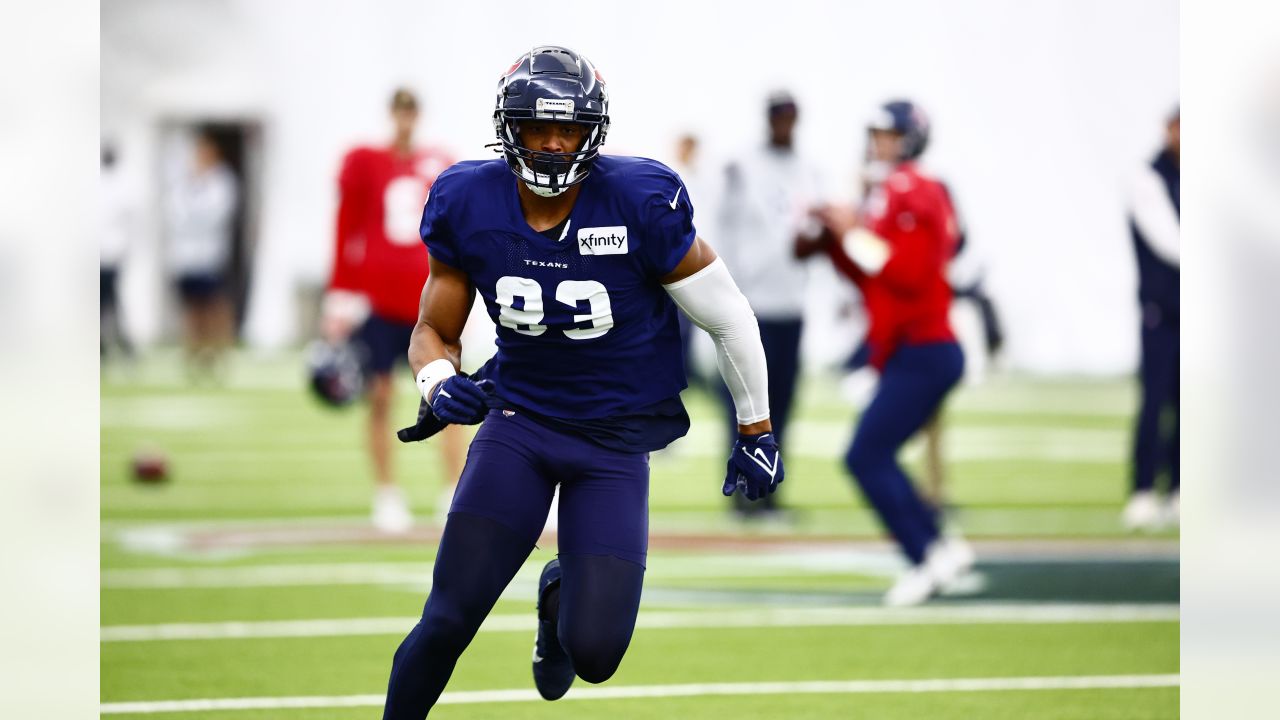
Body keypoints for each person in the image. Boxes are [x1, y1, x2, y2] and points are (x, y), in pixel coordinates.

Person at [381, 46, 782, 718]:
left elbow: (729, 315)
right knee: (447, 619)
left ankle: (556, 603)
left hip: (613, 441)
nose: (552, 145)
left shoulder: (638, 201)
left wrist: (757, 428)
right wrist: (436, 379)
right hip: (520, 424)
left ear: (592, 132)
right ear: (508, 128)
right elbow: (433, 327)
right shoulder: (467, 199)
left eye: (566, 129)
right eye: (537, 129)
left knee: (594, 653)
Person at [816, 100, 973, 606]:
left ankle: (924, 553)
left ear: (909, 137)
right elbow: (870, 276)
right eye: (876, 134)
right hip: (909, 348)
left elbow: (905, 271)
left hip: (925, 347)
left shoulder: (914, 188)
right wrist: (833, 238)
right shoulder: (893, 192)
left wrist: (850, 230)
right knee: (875, 454)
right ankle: (939, 545)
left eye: (888, 134)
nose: (878, 143)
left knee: (866, 455)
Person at [324, 88, 461, 533]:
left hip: (430, 295)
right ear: (392, 114)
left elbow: (457, 229)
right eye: (399, 111)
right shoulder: (366, 161)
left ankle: (453, 491)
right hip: (381, 296)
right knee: (380, 397)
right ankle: (386, 493)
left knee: (450, 397)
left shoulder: (438, 161)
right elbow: (348, 224)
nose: (405, 119)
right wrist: (341, 291)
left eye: (411, 111)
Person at [713, 91, 826, 519]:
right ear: (768, 120)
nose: (784, 126)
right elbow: (717, 226)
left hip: (791, 301)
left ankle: (770, 491)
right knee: (746, 402)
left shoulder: (808, 168)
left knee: (781, 403)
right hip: (750, 303)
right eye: (778, 118)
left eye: (790, 118)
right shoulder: (740, 166)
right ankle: (743, 492)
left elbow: (812, 226)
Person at [1122, 107, 1179, 531]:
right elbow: (1171, 243)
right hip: (1161, 309)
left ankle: (1178, 486)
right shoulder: (1148, 178)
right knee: (1154, 399)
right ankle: (1142, 489)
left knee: (1188, 402)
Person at [166, 126, 238, 379]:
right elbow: (174, 215)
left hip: (210, 255)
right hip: (187, 257)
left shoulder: (222, 181)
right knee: (192, 309)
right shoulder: (184, 181)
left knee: (214, 307)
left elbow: (215, 215)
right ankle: (193, 355)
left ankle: (217, 354)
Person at [100, 142, 137, 363]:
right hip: (98, 253)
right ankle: (112, 344)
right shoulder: (99, 182)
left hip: (112, 253)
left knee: (110, 301)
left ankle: (122, 343)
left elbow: (128, 221)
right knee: (106, 301)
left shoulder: (122, 184)